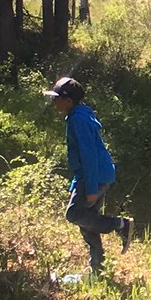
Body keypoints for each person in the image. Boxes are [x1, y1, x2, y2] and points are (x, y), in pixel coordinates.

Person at [44, 76, 133, 276]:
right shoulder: (80, 115)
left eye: (57, 98)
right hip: (96, 174)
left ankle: (121, 225)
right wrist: (77, 184)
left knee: (74, 214)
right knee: (88, 222)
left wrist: (91, 188)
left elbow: (89, 155)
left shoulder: (78, 120)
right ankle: (97, 270)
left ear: (68, 100)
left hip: (95, 176)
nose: (54, 102)